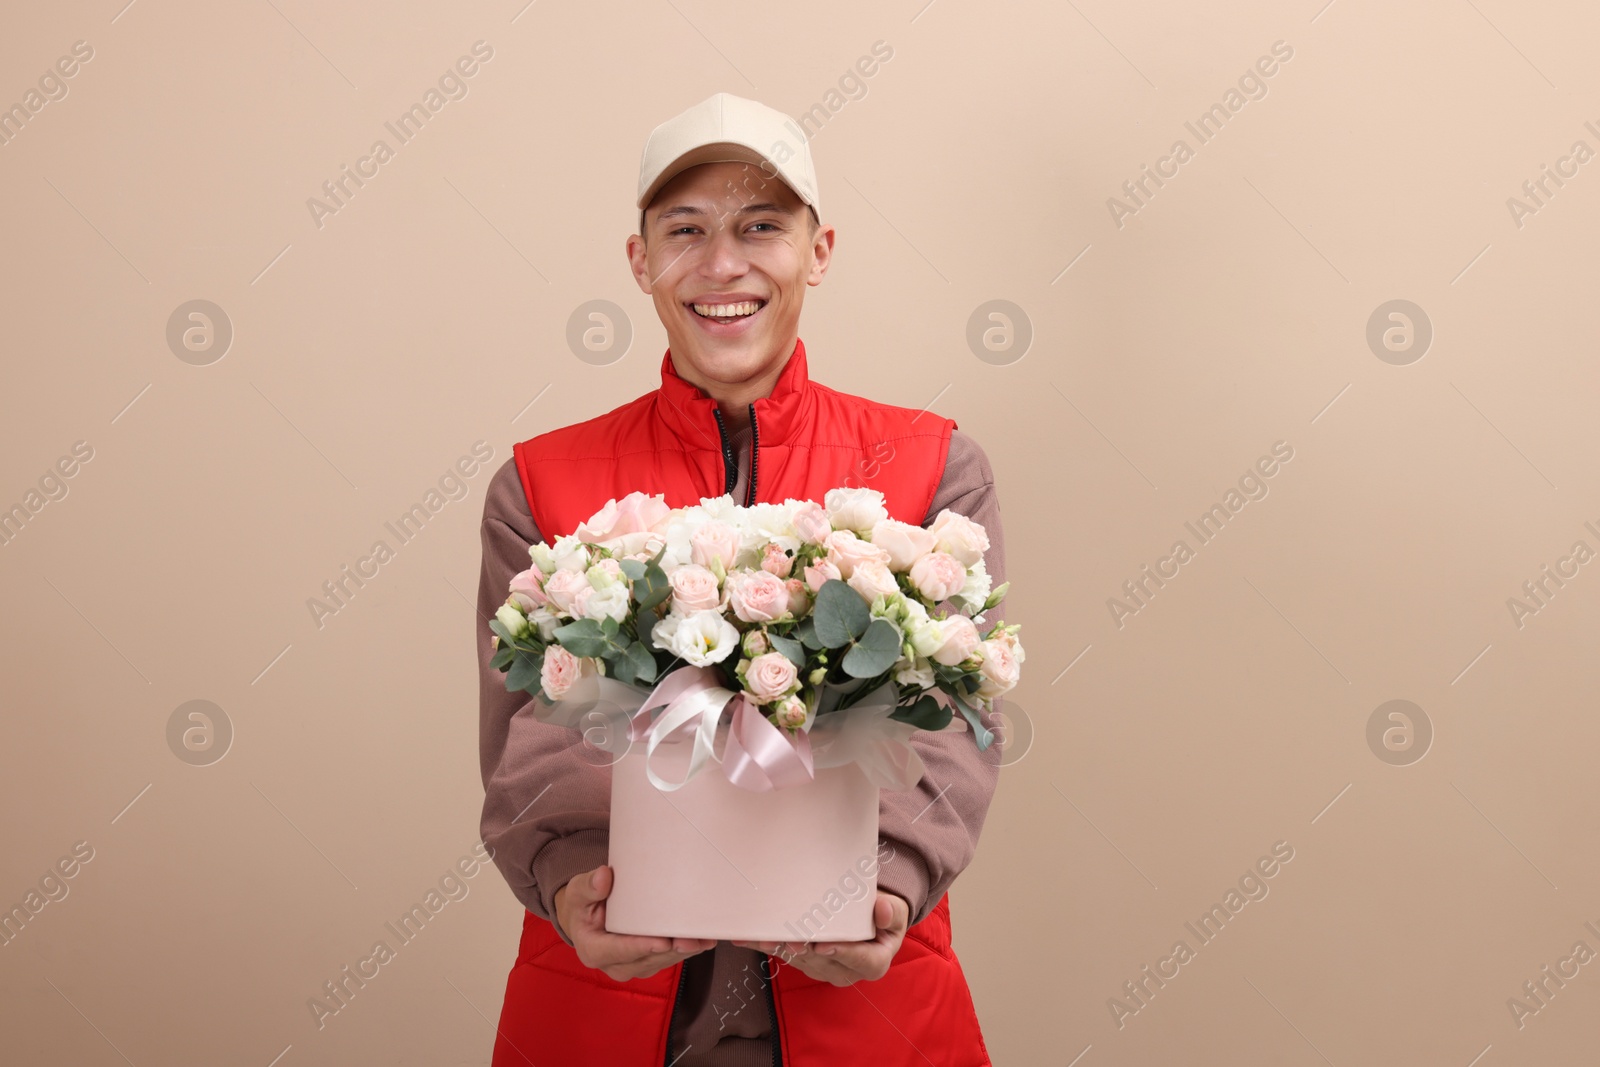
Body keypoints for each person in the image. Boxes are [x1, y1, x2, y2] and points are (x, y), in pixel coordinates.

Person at [476, 92, 1008, 1065]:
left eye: (761, 226)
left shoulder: (931, 467)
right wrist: (569, 879)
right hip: (607, 1005)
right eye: (686, 230)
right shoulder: (542, 479)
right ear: (639, 260)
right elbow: (524, 734)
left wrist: (887, 879)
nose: (722, 265)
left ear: (819, 249)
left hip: (869, 1008)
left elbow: (959, 729)